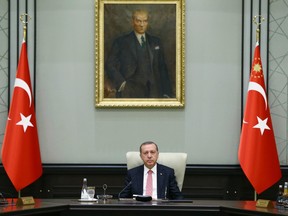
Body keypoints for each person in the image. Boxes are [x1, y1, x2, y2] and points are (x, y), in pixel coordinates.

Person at [105, 9, 172, 98]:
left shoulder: (156, 42)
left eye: (145, 21)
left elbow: (162, 68)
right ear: (132, 22)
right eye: (138, 21)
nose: (141, 25)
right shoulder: (121, 42)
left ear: (148, 22)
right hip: (129, 91)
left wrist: (166, 93)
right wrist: (121, 83)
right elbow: (110, 64)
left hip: (154, 91)